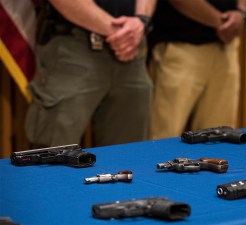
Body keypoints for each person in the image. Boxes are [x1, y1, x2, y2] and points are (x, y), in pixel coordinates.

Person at [25, 0, 157, 147]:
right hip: (73, 48)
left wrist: (141, 20)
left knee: (130, 157)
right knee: (53, 156)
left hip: (131, 48)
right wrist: (119, 33)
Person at [148, 0, 246, 139]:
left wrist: (242, 12)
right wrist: (223, 23)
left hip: (226, 47)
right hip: (181, 45)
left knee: (220, 138)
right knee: (162, 137)